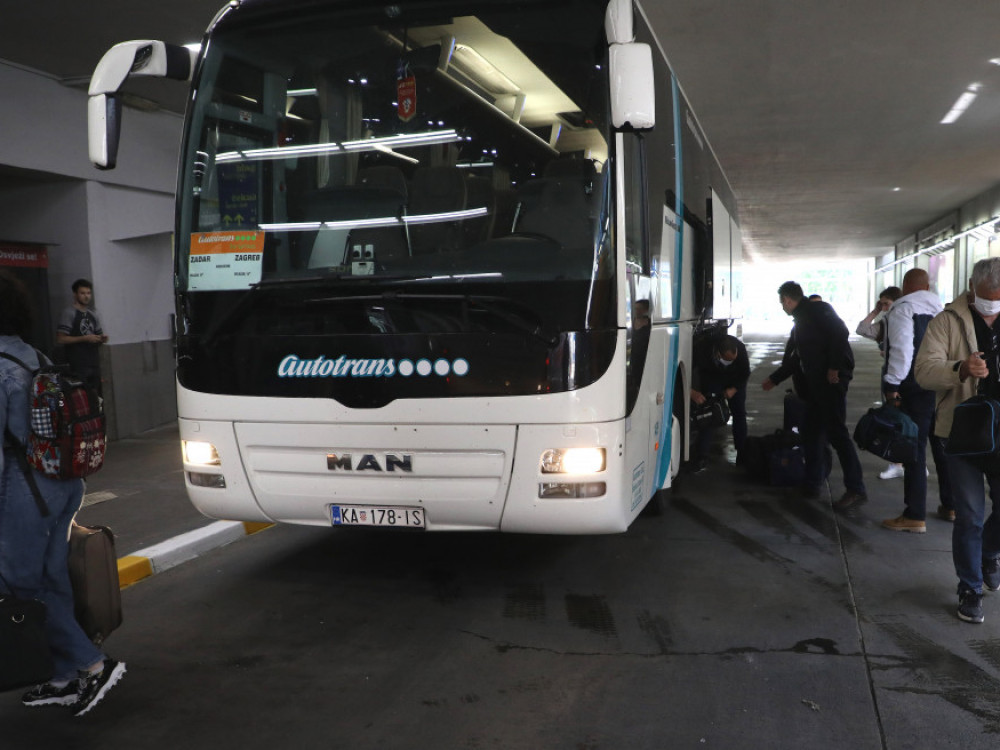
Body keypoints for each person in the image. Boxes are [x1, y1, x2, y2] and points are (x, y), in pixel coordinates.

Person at [0, 270, 125, 713]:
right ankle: (62, 675)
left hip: (25, 493)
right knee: (51, 580)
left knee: (19, 587)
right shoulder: (28, 354)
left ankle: (92, 665)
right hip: (63, 482)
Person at [914, 257, 1000, 624]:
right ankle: (970, 587)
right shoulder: (947, 321)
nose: (993, 305)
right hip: (961, 433)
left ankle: (988, 553)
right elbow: (923, 372)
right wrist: (960, 368)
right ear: (972, 288)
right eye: (987, 298)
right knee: (968, 515)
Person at [762, 281, 867, 509]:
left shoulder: (818, 310)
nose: (782, 307)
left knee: (837, 434)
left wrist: (834, 367)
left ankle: (856, 489)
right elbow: (797, 358)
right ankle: (812, 483)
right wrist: (775, 378)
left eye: (782, 303)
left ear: (788, 300)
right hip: (815, 388)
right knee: (811, 433)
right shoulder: (801, 320)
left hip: (831, 383)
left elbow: (841, 332)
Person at [880, 268, 953, 533]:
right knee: (941, 442)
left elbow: (902, 348)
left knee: (914, 447)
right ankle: (950, 505)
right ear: (928, 286)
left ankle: (914, 515)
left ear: (906, 286)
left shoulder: (904, 309)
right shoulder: (943, 311)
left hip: (915, 386)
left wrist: (892, 384)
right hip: (942, 385)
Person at [857, 286, 907, 480]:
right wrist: (876, 311)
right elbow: (862, 329)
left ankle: (901, 461)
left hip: (899, 375)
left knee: (899, 417)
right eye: (882, 304)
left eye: (887, 304)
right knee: (898, 417)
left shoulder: (904, 319)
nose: (885, 307)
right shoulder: (886, 322)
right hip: (894, 373)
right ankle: (902, 461)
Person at [690, 334, 750, 468]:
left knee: (739, 413)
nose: (730, 362)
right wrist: (691, 391)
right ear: (718, 354)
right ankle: (702, 455)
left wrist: (734, 388)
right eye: (727, 360)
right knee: (710, 413)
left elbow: (745, 372)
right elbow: (687, 369)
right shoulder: (702, 349)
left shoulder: (739, 347)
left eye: (732, 360)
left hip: (735, 380)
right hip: (713, 378)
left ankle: (742, 452)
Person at [56, 278, 108, 396]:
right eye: (83, 293)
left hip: (93, 364)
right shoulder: (69, 313)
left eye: (88, 293)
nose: (86, 296)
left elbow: (98, 335)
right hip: (77, 365)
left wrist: (101, 339)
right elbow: (60, 338)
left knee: (96, 396)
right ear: (75, 294)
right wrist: (84, 338)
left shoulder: (92, 315)